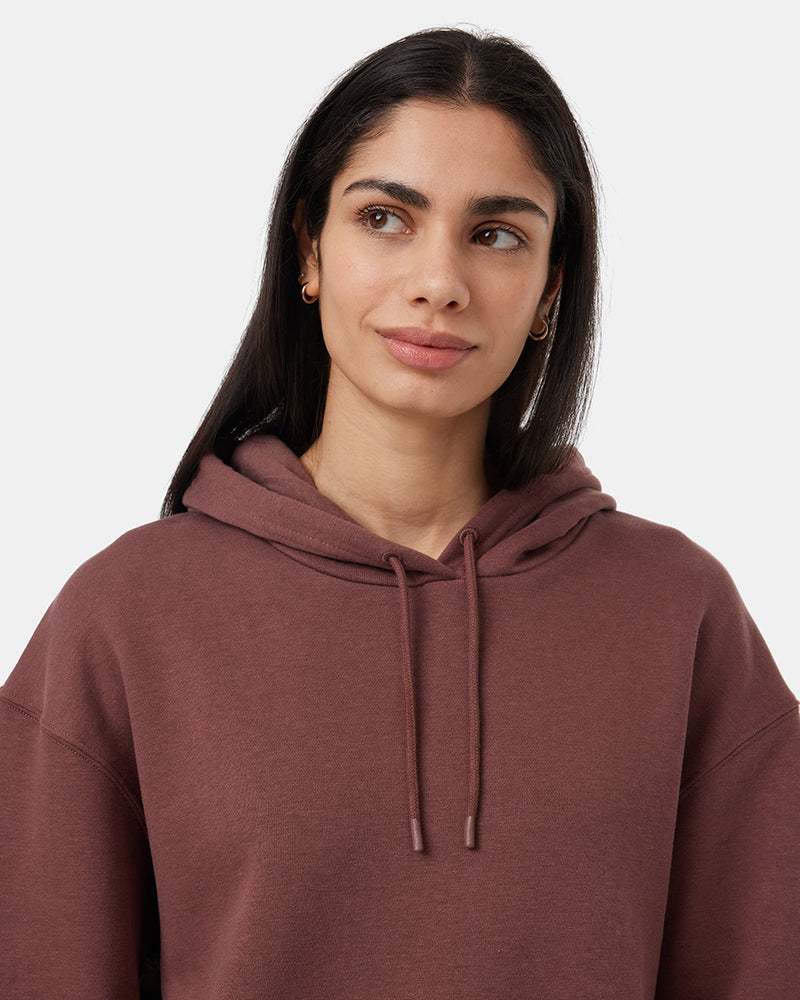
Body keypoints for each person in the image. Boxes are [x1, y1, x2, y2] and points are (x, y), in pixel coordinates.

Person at [1, 26, 797, 999]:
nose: (438, 284)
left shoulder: (677, 613)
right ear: (308, 248)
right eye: (385, 218)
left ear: (550, 287)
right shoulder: (126, 616)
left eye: (495, 234)